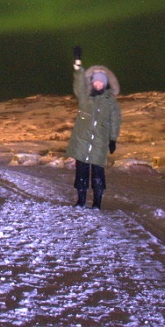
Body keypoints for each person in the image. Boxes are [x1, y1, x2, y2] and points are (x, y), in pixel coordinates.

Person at [66, 46, 122, 210]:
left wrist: (113, 139)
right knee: (81, 172)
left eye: (101, 81)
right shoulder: (85, 97)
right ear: (92, 82)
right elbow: (78, 83)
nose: (98, 84)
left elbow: (115, 120)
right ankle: (81, 200)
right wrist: (78, 65)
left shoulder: (110, 101)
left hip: (99, 141)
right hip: (82, 140)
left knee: (98, 173)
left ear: (104, 84)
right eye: (95, 81)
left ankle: (97, 202)